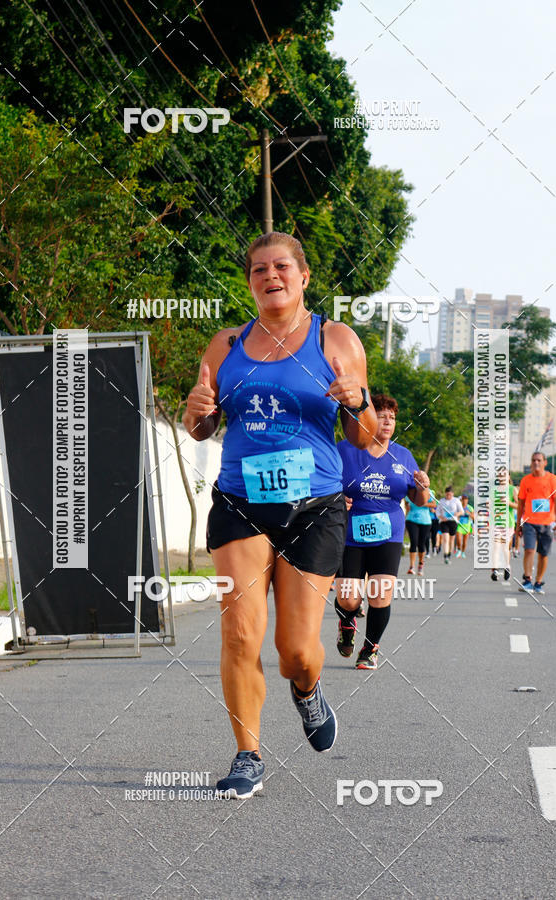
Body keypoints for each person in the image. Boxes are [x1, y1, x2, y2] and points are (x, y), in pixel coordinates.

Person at [183, 231, 377, 799]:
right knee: (241, 632)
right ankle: (248, 755)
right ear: (250, 281)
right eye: (259, 269)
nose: (271, 275)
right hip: (240, 502)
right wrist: (197, 412)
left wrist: (358, 402)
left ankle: (307, 690)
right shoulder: (226, 344)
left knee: (295, 650)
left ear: (303, 276)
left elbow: (365, 438)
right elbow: (201, 426)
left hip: (313, 507)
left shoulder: (335, 340)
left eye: (282, 267)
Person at [334, 395, 430, 669]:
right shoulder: (344, 450)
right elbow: (324, 484)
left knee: (379, 595)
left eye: (392, 417)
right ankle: (347, 622)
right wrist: (336, 499)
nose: (388, 422)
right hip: (349, 532)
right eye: (382, 416)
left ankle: (370, 648)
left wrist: (423, 487)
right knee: (348, 598)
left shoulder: (403, 456)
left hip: (389, 533)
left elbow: (419, 500)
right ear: (367, 419)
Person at [516, 452, 556, 594]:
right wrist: (518, 524)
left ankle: (538, 582)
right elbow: (521, 503)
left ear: (544, 462)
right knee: (529, 550)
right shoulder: (526, 480)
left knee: (543, 554)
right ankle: (527, 580)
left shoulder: (553, 479)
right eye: (533, 460)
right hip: (529, 522)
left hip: (547, 522)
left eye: (539, 460)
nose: (536, 462)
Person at [490, 472, 517, 582]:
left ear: (508, 476)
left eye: (504, 475)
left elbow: (519, 505)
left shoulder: (512, 489)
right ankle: (495, 570)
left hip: (508, 523)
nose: (502, 477)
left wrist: (508, 502)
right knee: (496, 546)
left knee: (505, 547)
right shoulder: (493, 490)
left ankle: (507, 567)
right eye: (500, 475)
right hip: (496, 522)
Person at [405, 489, 436, 575]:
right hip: (411, 520)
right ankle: (411, 566)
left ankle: (420, 565)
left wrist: (423, 504)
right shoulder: (411, 491)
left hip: (425, 521)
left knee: (421, 544)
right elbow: (407, 504)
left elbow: (434, 504)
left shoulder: (429, 492)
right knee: (414, 542)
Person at [436, 486, 464, 564]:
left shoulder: (456, 500)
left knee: (451, 540)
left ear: (452, 494)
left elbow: (462, 511)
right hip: (444, 522)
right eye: (447, 494)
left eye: (450, 494)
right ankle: (445, 555)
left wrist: (457, 514)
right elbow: (437, 512)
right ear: (445, 494)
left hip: (453, 522)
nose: (448, 496)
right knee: (445, 539)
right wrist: (441, 517)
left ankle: (449, 554)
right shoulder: (441, 501)